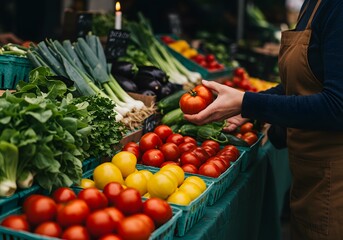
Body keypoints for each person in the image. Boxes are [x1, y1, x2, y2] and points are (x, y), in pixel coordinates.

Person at [184, 0, 343, 239]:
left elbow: (337, 106)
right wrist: (246, 105)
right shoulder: (314, 5)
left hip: (334, 180)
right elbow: (302, 86)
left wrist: (248, 103)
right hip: (312, 175)